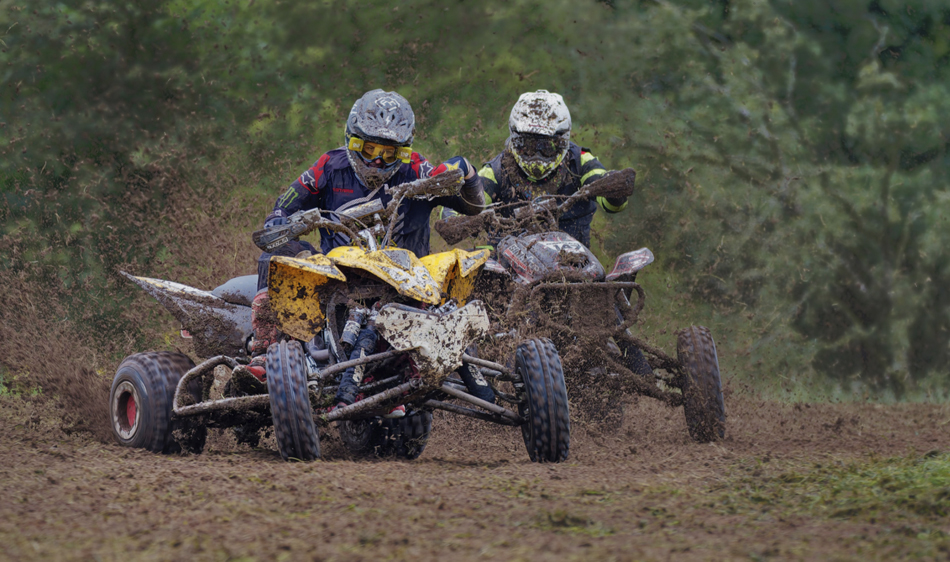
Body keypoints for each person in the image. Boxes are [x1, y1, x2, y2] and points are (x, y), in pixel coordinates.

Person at [240, 89, 494, 413]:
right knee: (276, 256)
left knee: (454, 272)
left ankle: (454, 357)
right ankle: (265, 351)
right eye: (369, 149)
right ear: (352, 140)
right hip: (341, 279)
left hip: (408, 284)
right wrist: (282, 223)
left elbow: (472, 206)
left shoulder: (417, 170)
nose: (377, 161)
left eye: (389, 153)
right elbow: (283, 207)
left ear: (403, 151)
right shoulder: (328, 167)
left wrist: (465, 173)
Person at [473, 90, 652, 377]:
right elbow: (469, 202)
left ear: (563, 141)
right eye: (528, 145)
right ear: (514, 139)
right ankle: (482, 358)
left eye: (546, 147)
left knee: (606, 289)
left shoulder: (580, 160)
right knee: (475, 272)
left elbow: (609, 197)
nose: (536, 155)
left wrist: (614, 189)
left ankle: (638, 366)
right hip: (512, 270)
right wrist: (463, 216)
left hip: (576, 265)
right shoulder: (496, 168)